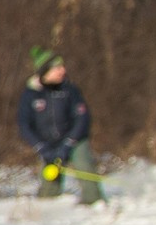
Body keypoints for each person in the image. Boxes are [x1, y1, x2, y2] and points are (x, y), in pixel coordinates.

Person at [17, 46, 102, 205]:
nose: (62, 70)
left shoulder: (70, 90)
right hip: (48, 143)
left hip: (74, 139)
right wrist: (41, 147)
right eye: (57, 68)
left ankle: (94, 203)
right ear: (45, 72)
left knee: (84, 165)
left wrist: (68, 143)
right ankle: (47, 211)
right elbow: (24, 125)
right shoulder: (30, 94)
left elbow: (82, 118)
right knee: (49, 185)